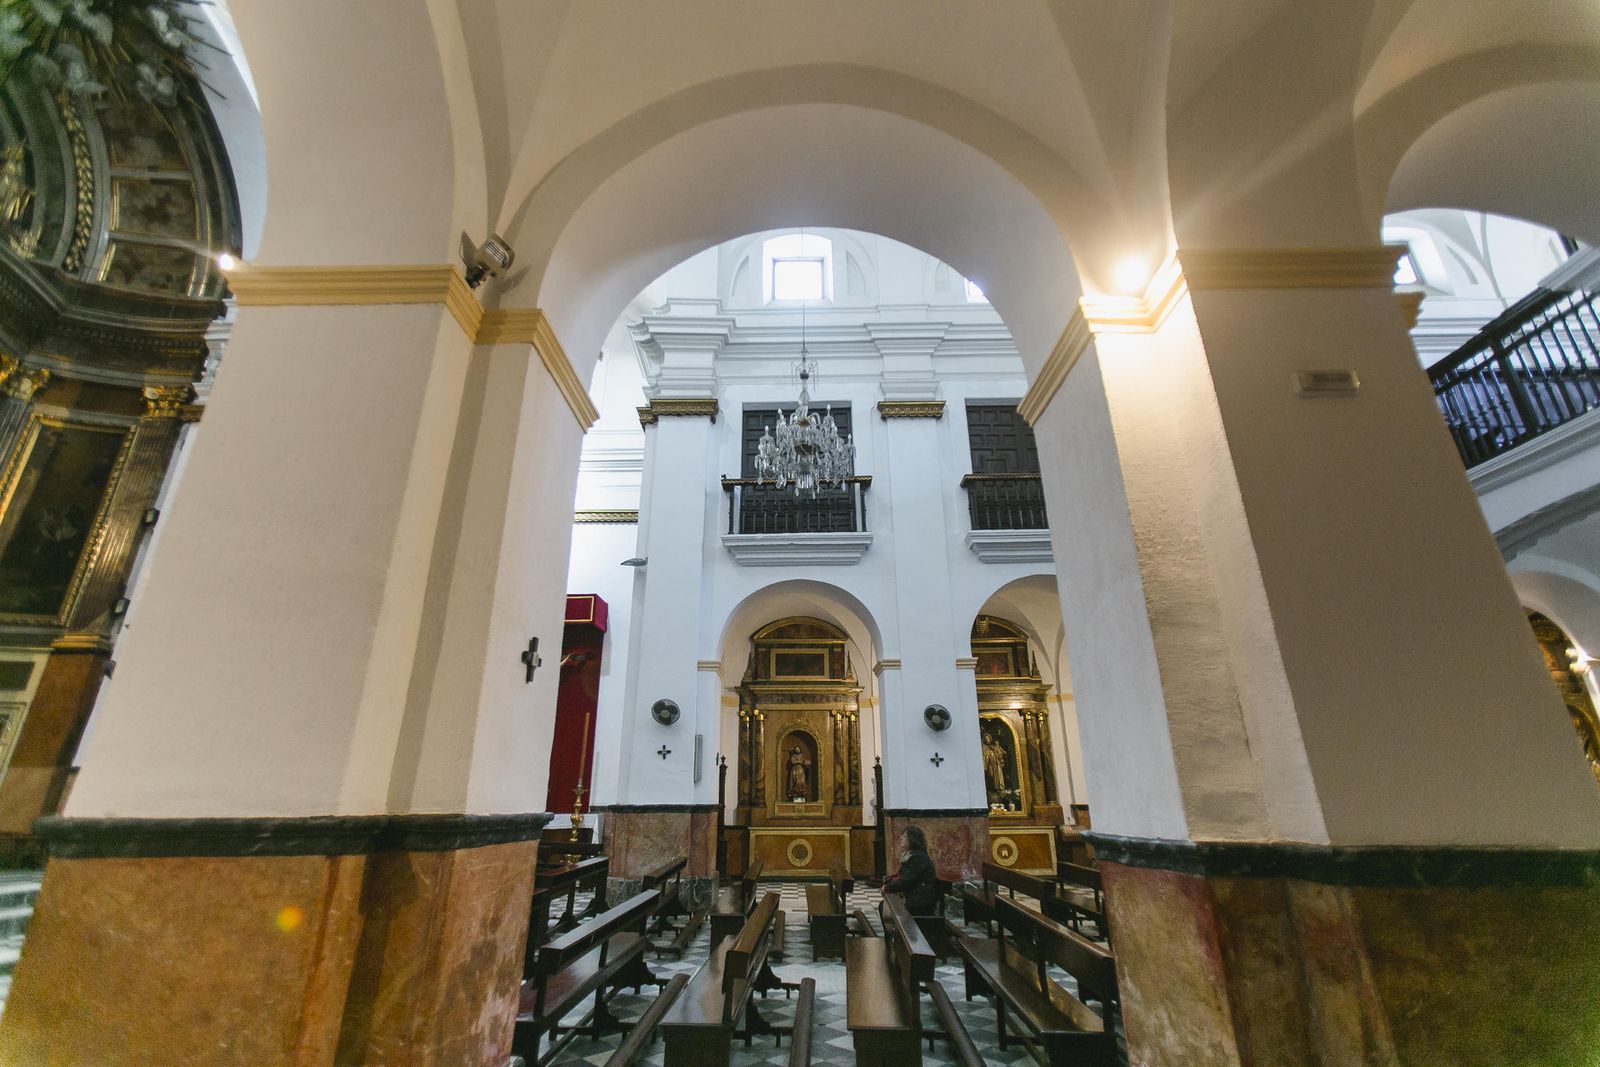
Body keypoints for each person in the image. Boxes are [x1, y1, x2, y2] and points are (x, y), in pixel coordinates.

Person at [882, 826, 941, 916]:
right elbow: (902, 875)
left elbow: (907, 879)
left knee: (886, 906)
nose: (901, 838)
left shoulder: (918, 858)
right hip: (913, 896)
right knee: (885, 905)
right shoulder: (911, 856)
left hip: (920, 901)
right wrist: (889, 881)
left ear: (913, 840)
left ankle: (895, 929)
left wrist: (888, 887)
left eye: (905, 836)